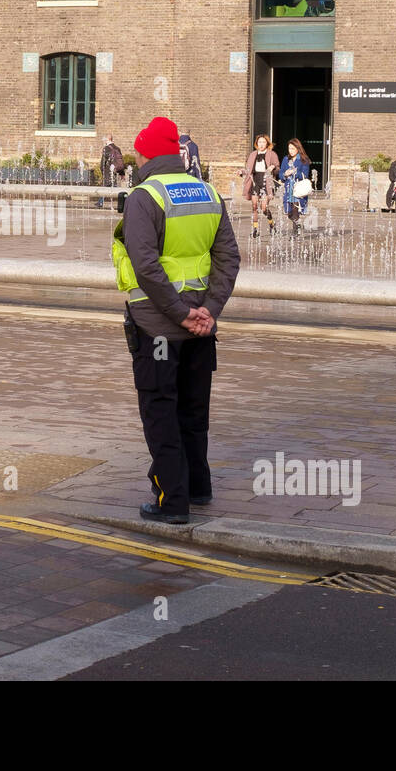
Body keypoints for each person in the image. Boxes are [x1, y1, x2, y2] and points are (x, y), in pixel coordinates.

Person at [113, 116, 240, 525]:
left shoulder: (143, 197)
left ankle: (172, 501)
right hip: (201, 328)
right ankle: (198, 487)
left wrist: (181, 313)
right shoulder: (209, 193)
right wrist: (208, 312)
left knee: (161, 410)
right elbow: (229, 258)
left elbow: (146, 267)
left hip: (157, 326)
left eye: (138, 150)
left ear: (146, 152)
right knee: (193, 410)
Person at [240, 134, 279, 238]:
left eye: (263, 142)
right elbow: (248, 169)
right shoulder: (253, 154)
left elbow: (277, 168)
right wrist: (241, 172)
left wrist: (273, 167)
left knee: (264, 207)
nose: (261, 144)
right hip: (255, 181)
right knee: (254, 206)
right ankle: (255, 229)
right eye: (259, 142)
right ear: (257, 144)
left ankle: (272, 224)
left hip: (266, 181)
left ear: (267, 143)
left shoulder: (272, 154)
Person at [279, 138, 311, 234]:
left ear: (298, 148)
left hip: (298, 188)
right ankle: (297, 225)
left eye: (293, 148)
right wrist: (285, 174)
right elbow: (281, 173)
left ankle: (295, 232)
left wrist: (294, 172)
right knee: (289, 213)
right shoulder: (286, 159)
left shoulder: (303, 159)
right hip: (288, 189)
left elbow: (305, 174)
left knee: (295, 210)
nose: (291, 151)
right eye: (289, 148)